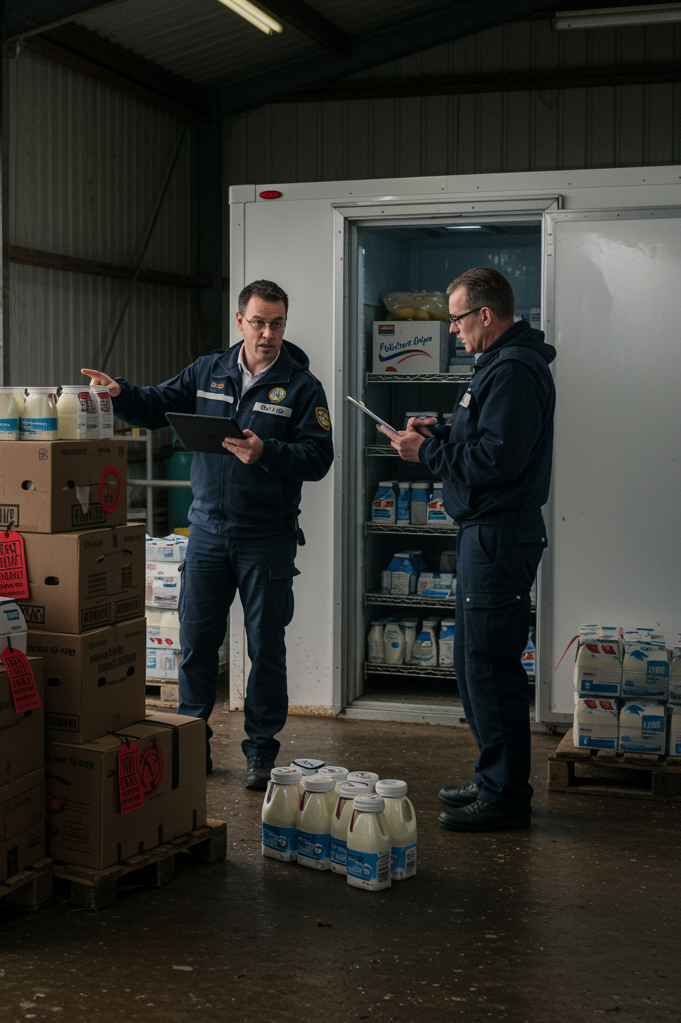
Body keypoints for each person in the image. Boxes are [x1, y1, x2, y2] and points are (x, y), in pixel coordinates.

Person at [82, 280, 333, 791]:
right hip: (208, 535)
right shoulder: (208, 371)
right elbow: (157, 403)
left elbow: (318, 458)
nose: (268, 334)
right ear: (240, 321)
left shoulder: (302, 387)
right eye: (259, 322)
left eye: (277, 323)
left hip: (266, 538)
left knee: (266, 649)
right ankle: (191, 741)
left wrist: (267, 452)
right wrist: (121, 393)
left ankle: (260, 752)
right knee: (196, 644)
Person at [384, 267, 555, 832]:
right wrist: (438, 432)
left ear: (485, 314)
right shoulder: (497, 365)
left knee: (491, 665)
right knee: (472, 662)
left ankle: (506, 797)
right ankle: (492, 777)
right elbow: (483, 437)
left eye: (456, 318)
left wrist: (426, 454)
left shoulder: (514, 369)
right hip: (485, 534)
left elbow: (496, 461)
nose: (452, 329)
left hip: (499, 535)